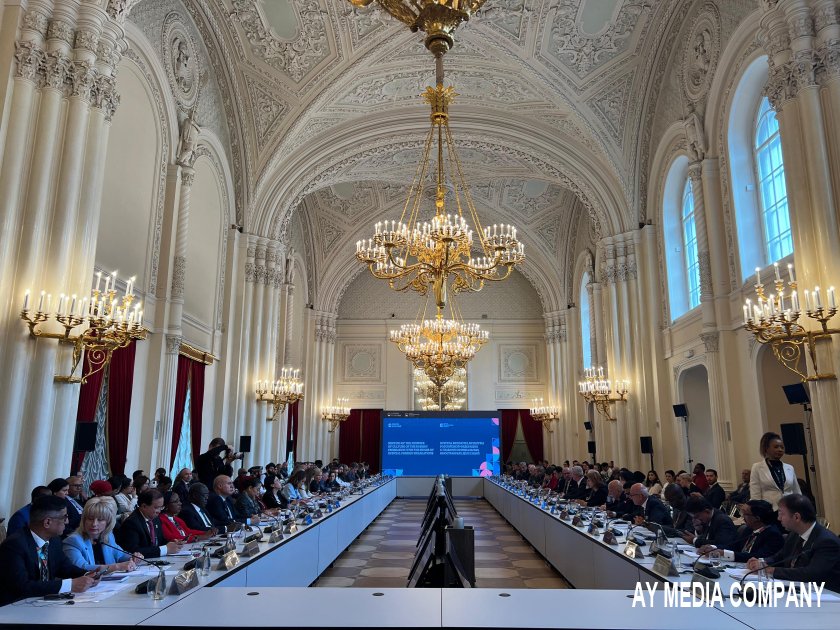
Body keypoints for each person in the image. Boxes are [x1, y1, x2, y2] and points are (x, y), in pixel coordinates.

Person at [0, 495, 94, 605]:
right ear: (47, 522)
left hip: (44, 604)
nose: (67, 522)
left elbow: (65, 568)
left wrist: (88, 574)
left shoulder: (54, 540)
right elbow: (22, 586)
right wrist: (69, 585)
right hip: (14, 607)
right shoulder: (14, 545)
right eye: (64, 517)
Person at [746, 494, 840, 593]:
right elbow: (779, 557)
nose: (779, 518)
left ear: (796, 517)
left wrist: (771, 570)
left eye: (781, 514)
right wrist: (761, 562)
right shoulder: (794, 535)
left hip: (825, 595)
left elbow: (811, 573)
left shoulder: (827, 541)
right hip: (797, 589)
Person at [62, 497, 137, 572]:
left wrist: (133, 557)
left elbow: (120, 555)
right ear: (84, 520)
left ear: (108, 522)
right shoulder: (73, 541)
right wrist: (116, 567)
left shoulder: (108, 536)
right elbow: (81, 568)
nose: (94, 524)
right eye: (90, 519)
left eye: (100, 520)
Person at [698, 499, 783, 563]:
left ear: (757, 518)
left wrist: (724, 553)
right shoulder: (748, 529)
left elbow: (758, 556)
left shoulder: (773, 534)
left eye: (745, 514)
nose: (742, 517)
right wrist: (713, 548)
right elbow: (734, 546)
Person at [115, 489, 184, 558]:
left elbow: (160, 541)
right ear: (144, 506)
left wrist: (172, 543)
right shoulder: (132, 523)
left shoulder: (155, 518)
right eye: (156, 507)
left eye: (161, 507)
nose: (159, 511)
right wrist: (165, 549)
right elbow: (133, 551)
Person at [750, 431, 801, 510]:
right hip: (768, 511)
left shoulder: (790, 468)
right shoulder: (757, 467)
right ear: (766, 449)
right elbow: (755, 495)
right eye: (776, 447)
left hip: (789, 510)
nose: (780, 450)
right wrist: (758, 511)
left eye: (782, 447)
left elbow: (796, 492)